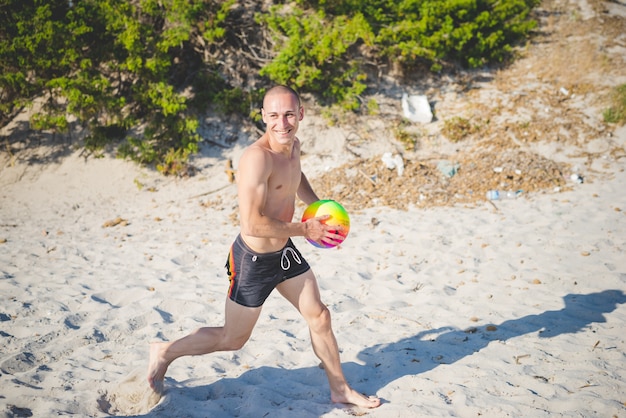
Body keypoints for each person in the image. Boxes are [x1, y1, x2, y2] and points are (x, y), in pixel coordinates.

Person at [147, 85, 381, 409]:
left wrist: (320, 210)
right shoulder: (256, 159)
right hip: (254, 259)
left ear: (300, 114)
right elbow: (251, 224)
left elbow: (295, 178)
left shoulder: (293, 146)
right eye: (273, 116)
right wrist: (304, 229)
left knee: (320, 316)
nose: (282, 123)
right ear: (263, 117)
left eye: (288, 114)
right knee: (232, 339)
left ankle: (339, 389)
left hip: (284, 251)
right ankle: (164, 351)